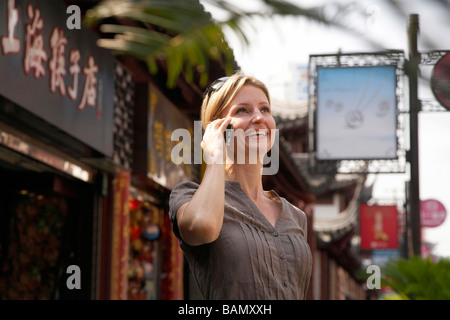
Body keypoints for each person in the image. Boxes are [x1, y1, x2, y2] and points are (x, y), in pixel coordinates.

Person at [169, 70, 312, 300]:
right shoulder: (187, 197)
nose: (259, 117)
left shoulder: (296, 216)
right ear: (218, 127)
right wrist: (215, 155)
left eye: (264, 109)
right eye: (242, 110)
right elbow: (202, 226)